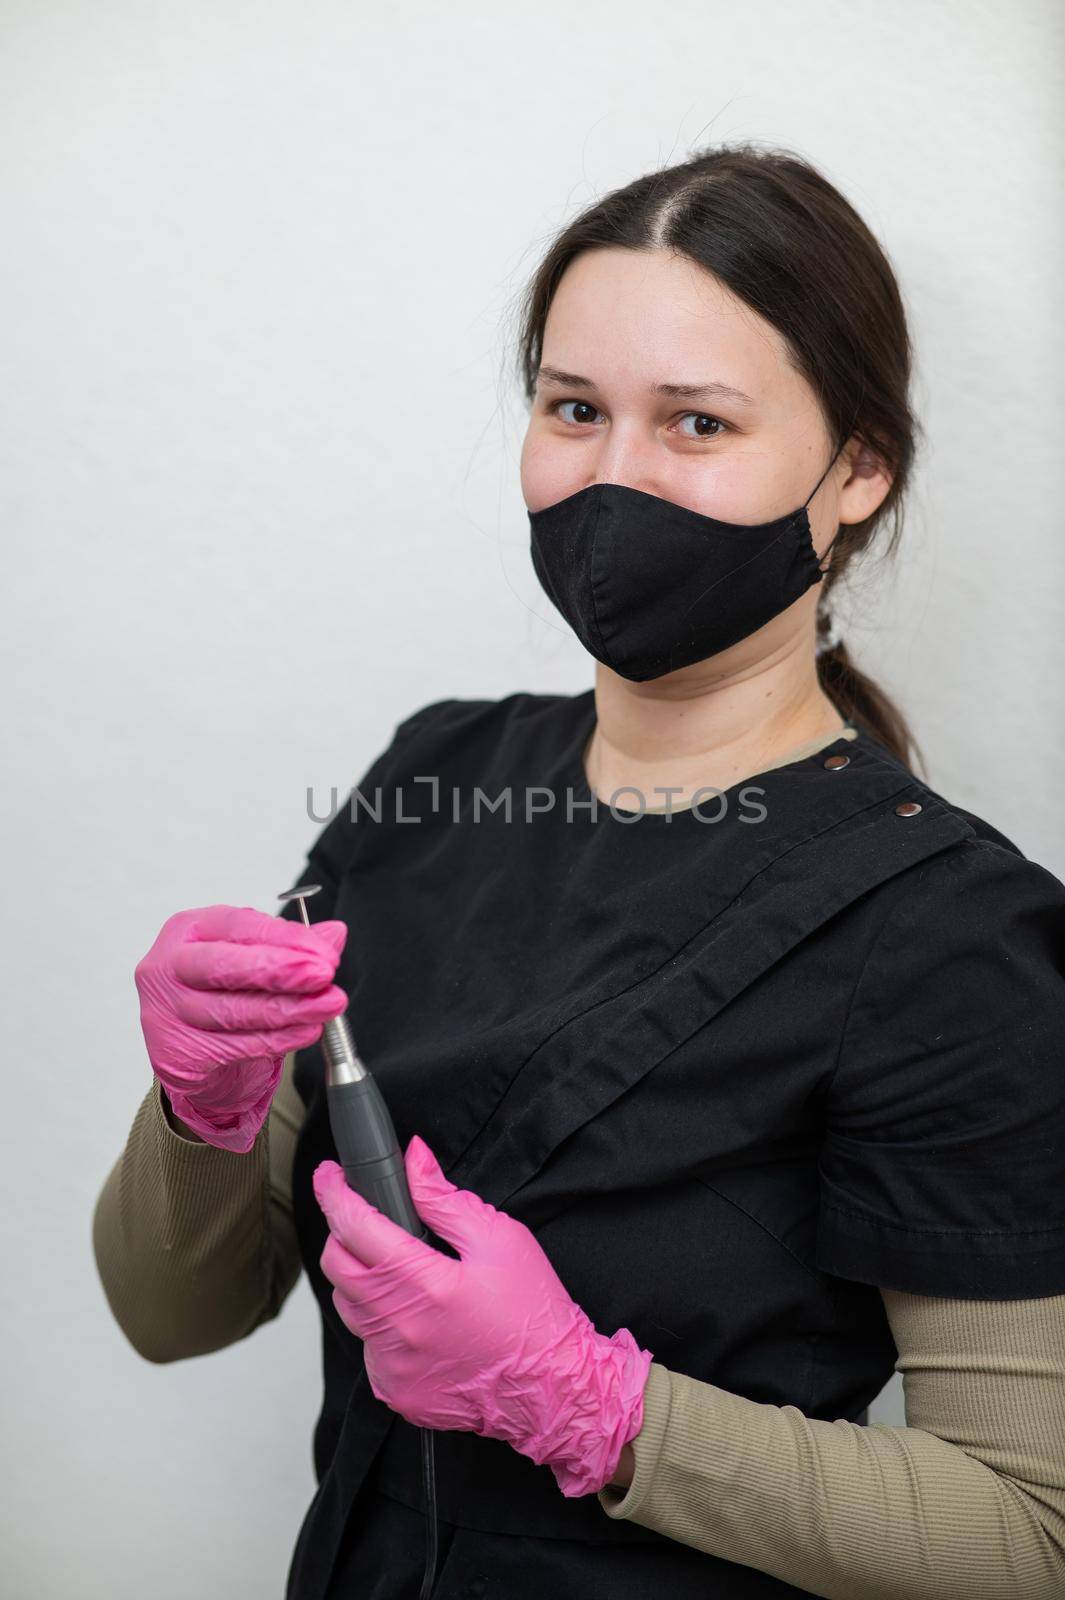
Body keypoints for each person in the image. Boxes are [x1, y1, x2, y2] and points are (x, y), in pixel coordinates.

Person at [93, 142, 1065, 1599]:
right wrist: (200, 1107)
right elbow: (169, 1315)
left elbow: (1025, 1533)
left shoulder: (949, 935)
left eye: (695, 422)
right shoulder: (431, 782)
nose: (611, 478)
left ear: (855, 469)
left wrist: (596, 1410)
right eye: (572, 409)